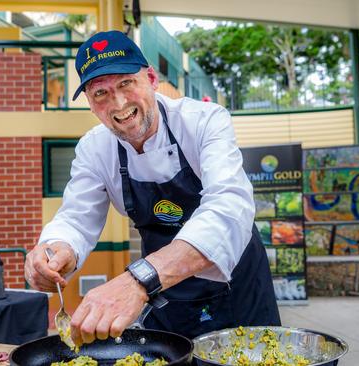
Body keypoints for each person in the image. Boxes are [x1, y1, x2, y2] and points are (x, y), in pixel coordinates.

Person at [24, 30, 280, 346]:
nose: (117, 103)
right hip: (167, 296)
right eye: (100, 93)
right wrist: (55, 249)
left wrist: (138, 281)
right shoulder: (94, 149)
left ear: (152, 79)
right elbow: (76, 218)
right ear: (90, 103)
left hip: (237, 287)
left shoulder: (203, 121)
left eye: (125, 83)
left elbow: (228, 207)